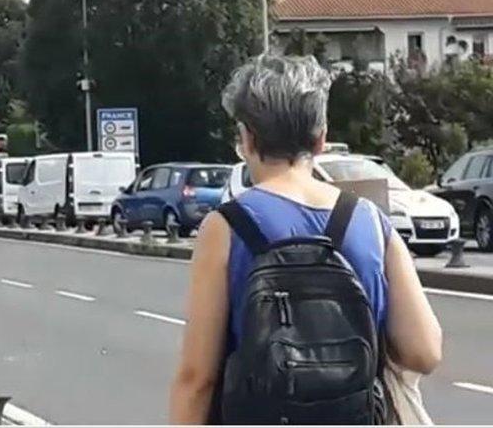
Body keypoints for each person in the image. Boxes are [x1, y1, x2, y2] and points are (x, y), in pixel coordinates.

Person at [169, 55, 442, 424]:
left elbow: (197, 379)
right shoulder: (370, 221)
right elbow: (424, 351)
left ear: (247, 138)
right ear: (321, 138)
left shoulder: (225, 227)